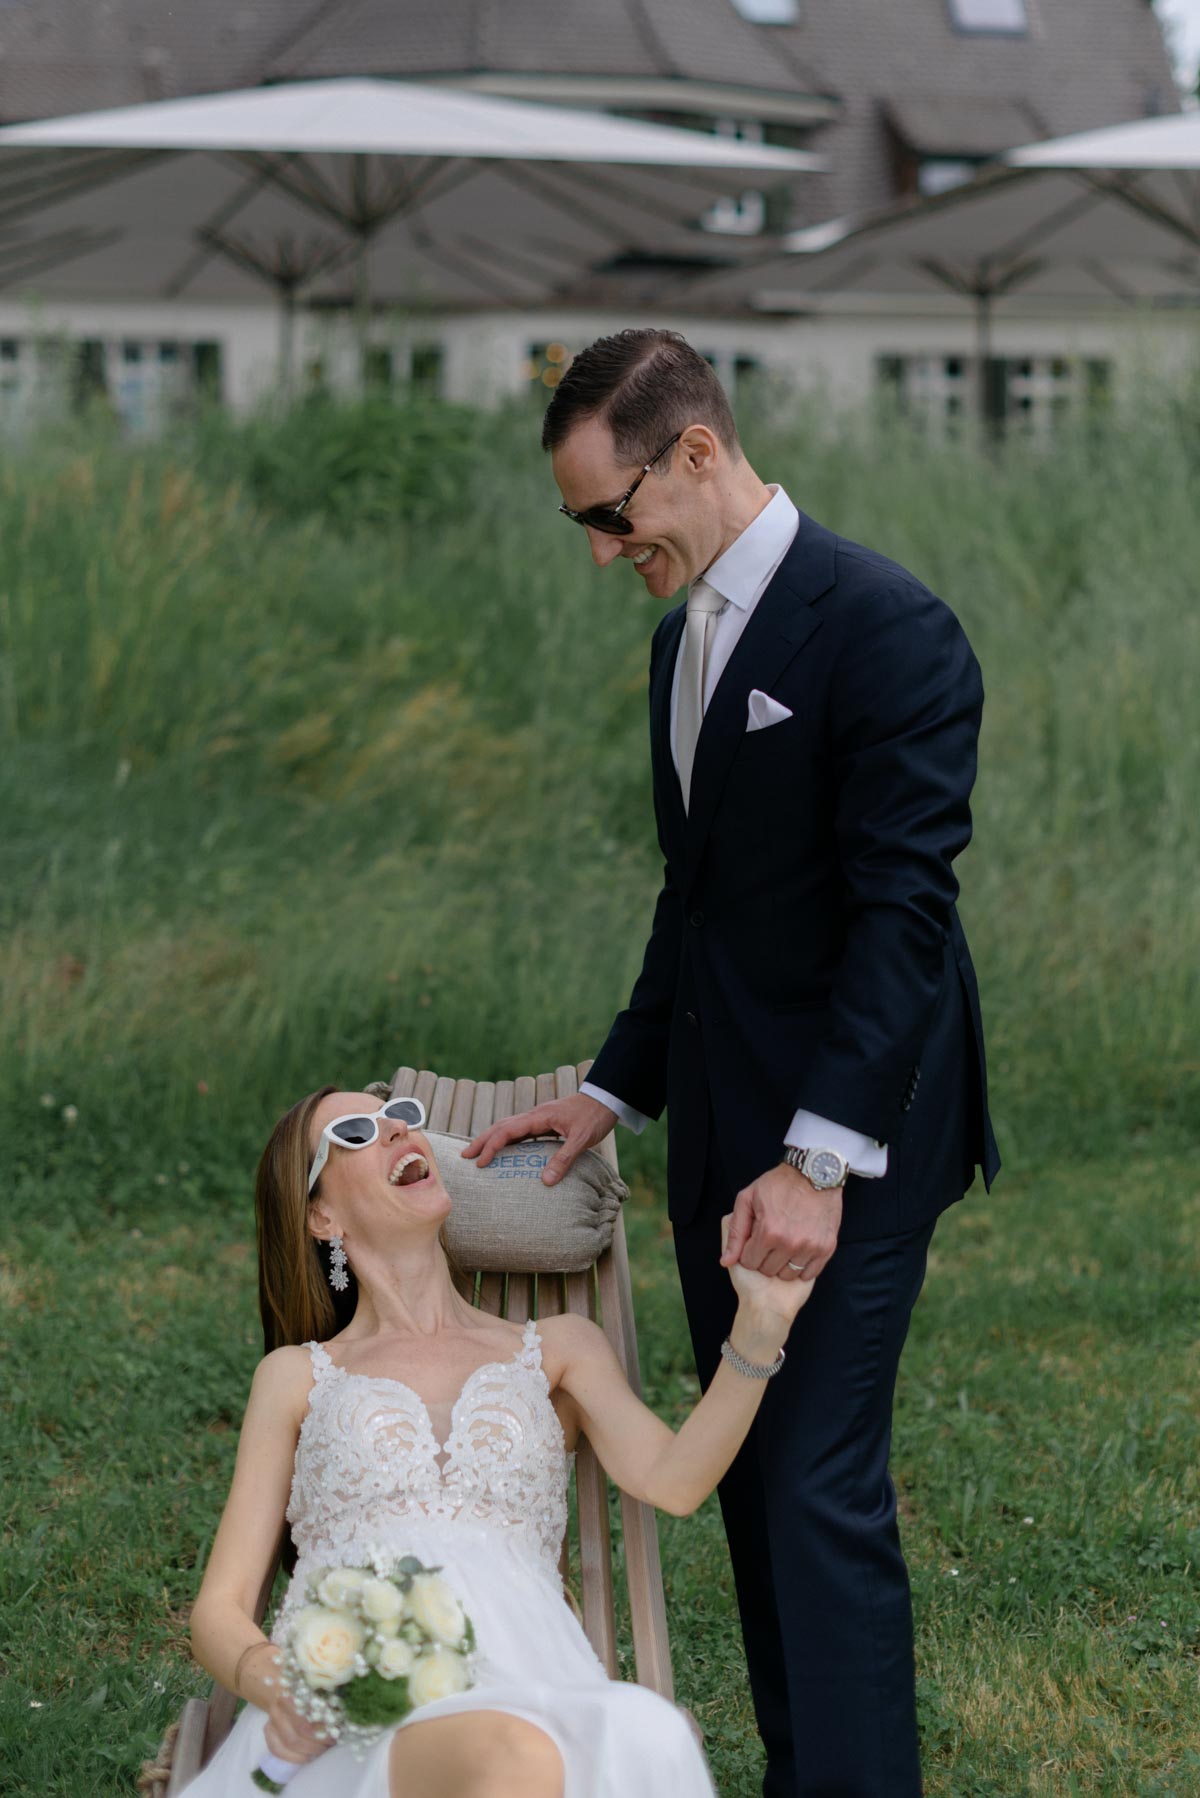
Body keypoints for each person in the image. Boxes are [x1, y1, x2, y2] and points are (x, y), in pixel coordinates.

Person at [464, 328, 1000, 1797]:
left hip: (854, 1133)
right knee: (758, 1490)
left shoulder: (890, 628)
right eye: (580, 523)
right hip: (719, 1123)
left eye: (609, 511)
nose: (600, 549)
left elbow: (903, 917)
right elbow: (692, 897)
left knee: (815, 1485)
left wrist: (820, 1160)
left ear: (696, 451)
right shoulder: (678, 636)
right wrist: (614, 1084)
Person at [184, 1086, 810, 1797]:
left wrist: (760, 1325)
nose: (395, 1130)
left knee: (648, 1730)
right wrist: (276, 1680)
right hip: (367, 1708)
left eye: (405, 1118)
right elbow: (220, 1607)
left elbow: (675, 1479)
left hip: (537, 1672)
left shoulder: (556, 1350)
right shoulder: (297, 1377)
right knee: (511, 1761)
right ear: (321, 1215)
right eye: (356, 1132)